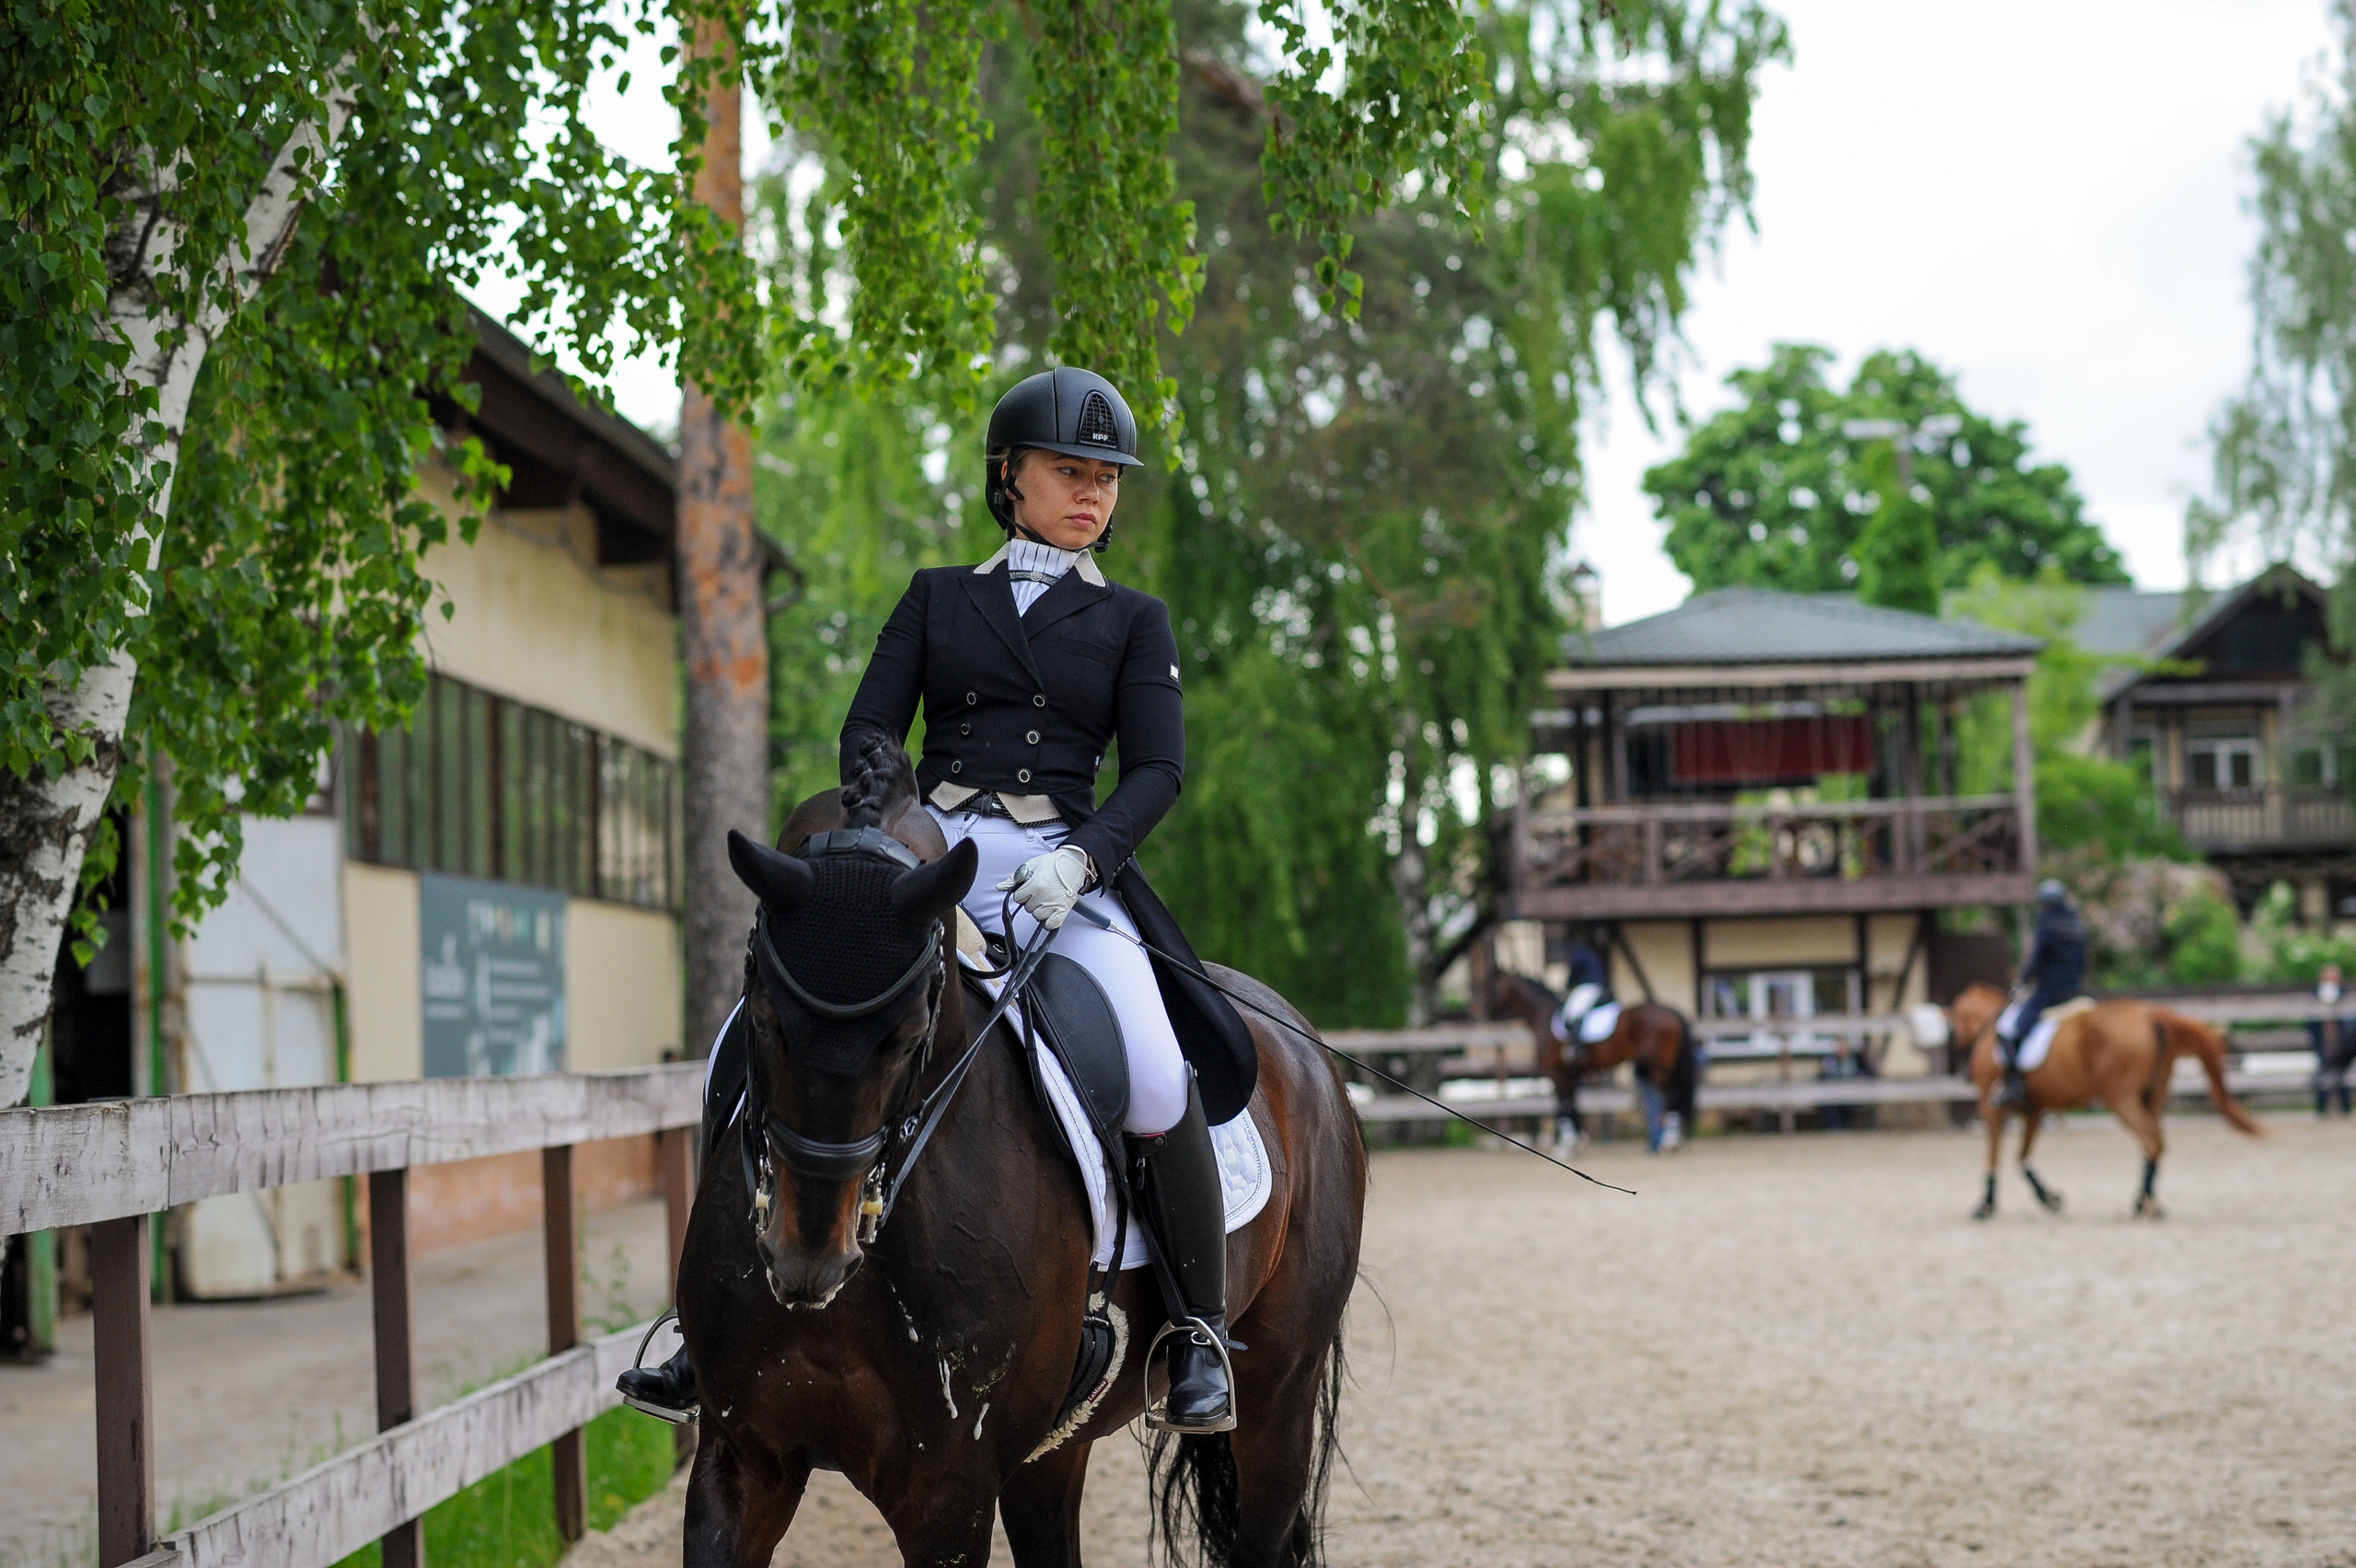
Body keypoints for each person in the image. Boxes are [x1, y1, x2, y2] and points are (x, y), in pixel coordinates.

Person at [618, 368, 1253, 1435]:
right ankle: (705, 1319)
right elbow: (871, 730)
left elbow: (1157, 771)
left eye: (1106, 479)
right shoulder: (936, 596)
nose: (1093, 494)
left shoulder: (1135, 622)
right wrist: (894, 823)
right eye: (1070, 472)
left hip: (1062, 863)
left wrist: (1084, 859)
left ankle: (1196, 1331)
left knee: (1151, 1068)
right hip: (929, 855)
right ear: (1009, 478)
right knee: (746, 1034)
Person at [1993, 880, 2086, 1109]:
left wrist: (2023, 981)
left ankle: (2015, 1086)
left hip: (2050, 992)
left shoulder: (2047, 924)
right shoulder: (2076, 923)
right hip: (2075, 990)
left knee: (2012, 1031)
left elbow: (2036, 960)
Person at [2309, 963, 2354, 1117]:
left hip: (2342, 1041)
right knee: (2323, 1071)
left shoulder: (2345, 994)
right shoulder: (2314, 994)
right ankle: (2321, 1107)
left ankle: (2345, 1107)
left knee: (2342, 1072)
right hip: (2323, 1039)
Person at [1551, 937, 1613, 1045]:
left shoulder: (1580, 954)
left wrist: (1567, 986)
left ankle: (1577, 1048)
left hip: (1587, 988)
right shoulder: (1593, 953)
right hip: (1600, 988)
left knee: (1573, 1013)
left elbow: (1573, 973)